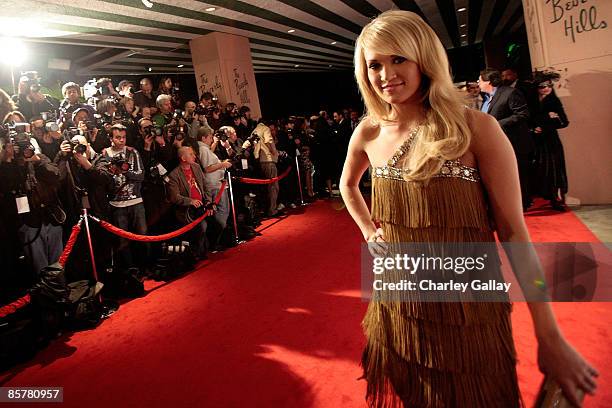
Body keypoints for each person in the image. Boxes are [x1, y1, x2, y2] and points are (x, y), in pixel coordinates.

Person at [340, 10, 597, 408]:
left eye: (398, 59)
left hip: (470, 310)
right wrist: (368, 231)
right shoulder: (369, 130)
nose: (385, 74)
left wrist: (550, 338)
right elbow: (347, 185)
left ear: (423, 58)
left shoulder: (476, 128)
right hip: (398, 304)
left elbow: (514, 235)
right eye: (374, 64)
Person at [479, 68, 533, 210]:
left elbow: (522, 114)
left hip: (515, 142)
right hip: (496, 144)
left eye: (480, 80)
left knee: (519, 175)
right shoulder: (486, 98)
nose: (478, 82)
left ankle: (523, 205)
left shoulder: (510, 92)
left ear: (488, 82)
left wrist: (497, 124)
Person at [529, 72, 570, 211]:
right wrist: (535, 127)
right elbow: (527, 119)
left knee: (554, 170)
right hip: (535, 141)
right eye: (542, 86)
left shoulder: (554, 101)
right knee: (537, 170)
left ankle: (555, 199)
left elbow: (564, 122)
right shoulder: (531, 101)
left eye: (549, 86)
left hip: (551, 141)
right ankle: (537, 198)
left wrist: (545, 125)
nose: (546, 88)